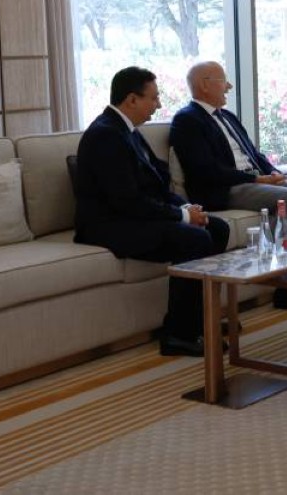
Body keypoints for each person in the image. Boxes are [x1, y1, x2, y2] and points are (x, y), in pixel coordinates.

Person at [74, 67, 230, 357]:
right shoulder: (106, 135)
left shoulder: (129, 130)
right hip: (109, 225)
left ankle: (199, 320)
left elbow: (156, 185)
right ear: (132, 99)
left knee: (217, 227)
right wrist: (183, 217)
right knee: (194, 238)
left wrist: (184, 206)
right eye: (154, 98)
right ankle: (178, 334)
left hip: (133, 216)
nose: (158, 105)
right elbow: (127, 201)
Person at [169, 60, 287, 310]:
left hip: (257, 180)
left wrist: (273, 172)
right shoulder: (187, 120)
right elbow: (205, 170)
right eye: (223, 81)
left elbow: (254, 154)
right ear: (204, 85)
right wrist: (256, 179)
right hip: (226, 189)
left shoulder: (227, 116)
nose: (229, 86)